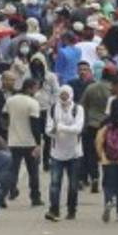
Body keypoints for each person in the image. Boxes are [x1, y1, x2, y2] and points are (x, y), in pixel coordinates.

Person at [44, 86, 85, 221]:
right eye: (62, 94)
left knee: (73, 185)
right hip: (57, 152)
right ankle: (54, 209)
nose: (64, 97)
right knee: (55, 183)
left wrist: (60, 127)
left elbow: (78, 128)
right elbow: (48, 130)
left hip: (74, 153)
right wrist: (59, 129)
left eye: (66, 94)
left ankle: (71, 210)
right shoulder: (53, 109)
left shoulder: (78, 109)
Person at [5, 78, 44, 207]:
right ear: (29, 88)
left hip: (13, 141)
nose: (36, 91)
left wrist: (10, 129)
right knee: (33, 171)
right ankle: (35, 196)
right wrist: (38, 143)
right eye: (35, 88)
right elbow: (35, 125)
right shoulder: (33, 103)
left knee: (13, 169)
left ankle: (11, 190)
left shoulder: (11, 100)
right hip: (29, 142)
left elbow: (4, 116)